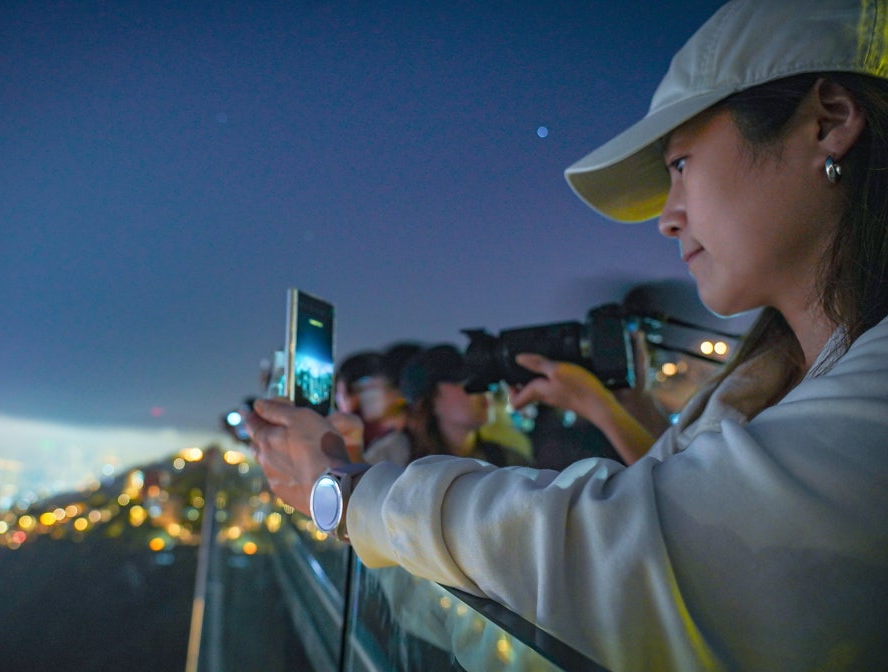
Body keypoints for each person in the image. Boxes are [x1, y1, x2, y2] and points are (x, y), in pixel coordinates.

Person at [247, 1, 888, 668]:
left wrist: (343, 493)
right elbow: (544, 628)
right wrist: (353, 503)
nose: (668, 219)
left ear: (830, 120)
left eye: (680, 165)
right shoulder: (768, 395)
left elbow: (617, 556)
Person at [365, 345, 531, 467]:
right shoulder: (388, 460)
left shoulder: (508, 461)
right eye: (465, 382)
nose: (483, 390)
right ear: (431, 400)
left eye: (483, 381)